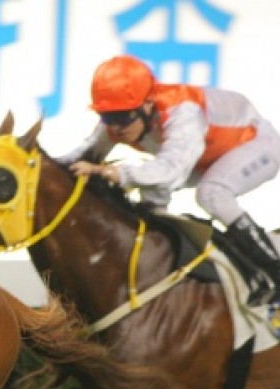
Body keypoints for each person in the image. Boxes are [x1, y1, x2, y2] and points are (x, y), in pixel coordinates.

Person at [61, 54, 280, 306]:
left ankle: (273, 269)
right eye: (107, 117)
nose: (116, 127)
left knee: (211, 193)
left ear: (147, 105)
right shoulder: (124, 116)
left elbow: (171, 171)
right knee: (149, 201)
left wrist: (115, 172)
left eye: (123, 117)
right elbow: (79, 155)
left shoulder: (183, 112)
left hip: (257, 144)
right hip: (204, 156)